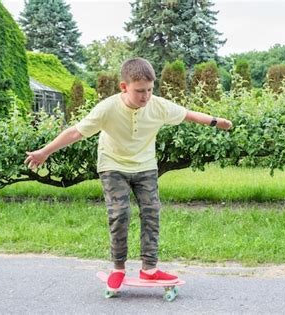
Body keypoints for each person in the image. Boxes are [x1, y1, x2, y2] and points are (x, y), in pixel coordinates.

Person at [24, 57, 232, 291]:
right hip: (112, 165)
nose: (146, 96)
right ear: (124, 87)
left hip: (145, 166)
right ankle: (118, 268)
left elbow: (188, 114)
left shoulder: (158, 105)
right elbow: (75, 133)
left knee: (152, 211)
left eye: (150, 90)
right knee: (120, 213)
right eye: (140, 91)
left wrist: (216, 122)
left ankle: (149, 269)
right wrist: (44, 152)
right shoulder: (107, 108)